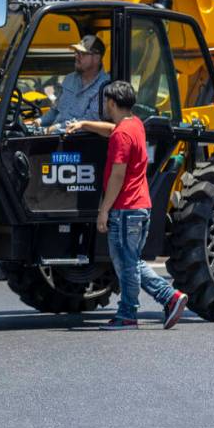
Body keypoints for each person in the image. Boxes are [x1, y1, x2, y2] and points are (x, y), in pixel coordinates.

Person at [65, 82, 189, 330]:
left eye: (105, 102)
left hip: (125, 209)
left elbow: (117, 176)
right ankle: (170, 298)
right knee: (131, 261)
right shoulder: (135, 126)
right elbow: (113, 129)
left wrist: (103, 210)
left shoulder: (122, 134)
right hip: (140, 206)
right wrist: (84, 124)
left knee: (126, 263)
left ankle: (129, 315)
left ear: (111, 103)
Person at [39, 34, 111, 133]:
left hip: (79, 141)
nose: (76, 56)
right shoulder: (69, 79)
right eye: (76, 52)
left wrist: (53, 129)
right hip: (56, 137)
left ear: (97, 58)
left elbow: (89, 121)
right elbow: (55, 110)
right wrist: (39, 122)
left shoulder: (105, 86)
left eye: (82, 53)